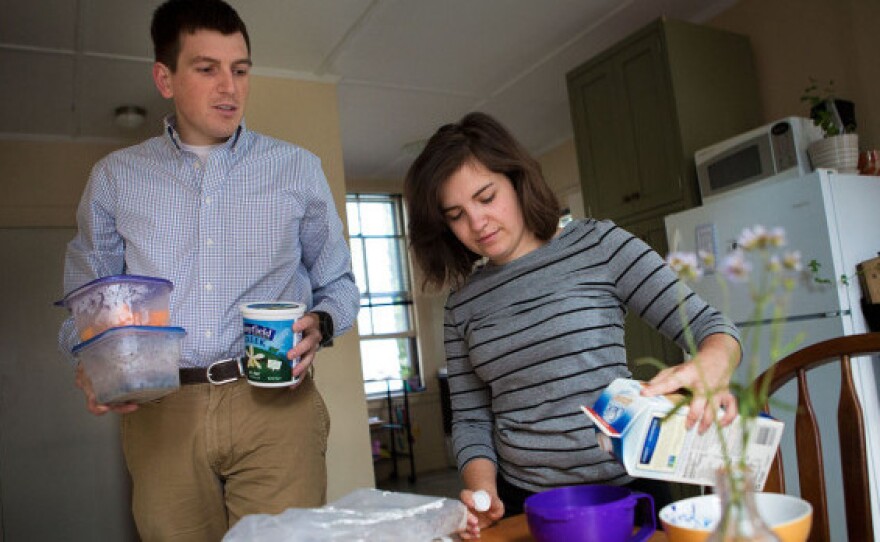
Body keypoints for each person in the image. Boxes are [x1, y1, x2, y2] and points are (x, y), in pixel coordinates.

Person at [57, 0, 359, 539]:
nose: (230, 86)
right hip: (161, 406)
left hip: (276, 403)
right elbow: (87, 295)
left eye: (240, 70)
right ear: (165, 78)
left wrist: (324, 323)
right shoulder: (114, 179)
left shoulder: (297, 169)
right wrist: (88, 357)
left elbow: (337, 283)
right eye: (207, 68)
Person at [403, 112, 741, 538]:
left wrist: (712, 364)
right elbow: (471, 421)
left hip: (627, 493)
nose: (477, 223)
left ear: (516, 179)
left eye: (486, 197)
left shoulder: (600, 244)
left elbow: (710, 326)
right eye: (456, 214)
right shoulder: (462, 305)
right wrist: (482, 494)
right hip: (526, 504)